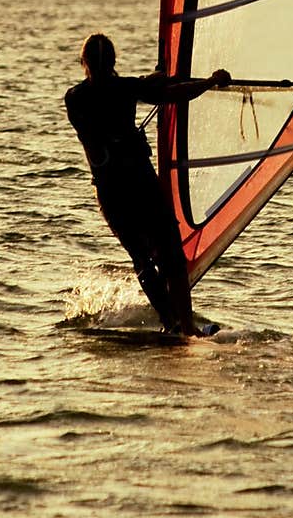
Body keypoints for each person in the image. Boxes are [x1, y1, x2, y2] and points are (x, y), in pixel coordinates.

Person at [64, 32, 230, 337]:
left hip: (112, 191)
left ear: (83, 62)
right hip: (140, 184)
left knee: (142, 258)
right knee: (171, 256)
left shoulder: (75, 98)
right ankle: (185, 326)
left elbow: (145, 88)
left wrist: (153, 80)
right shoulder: (125, 89)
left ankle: (173, 323)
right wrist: (208, 82)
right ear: (114, 61)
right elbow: (171, 93)